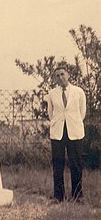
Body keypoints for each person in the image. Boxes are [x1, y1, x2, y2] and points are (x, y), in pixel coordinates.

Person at [47, 66, 86, 203]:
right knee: (58, 164)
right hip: (58, 132)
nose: (60, 77)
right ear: (55, 79)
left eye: (62, 74)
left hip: (74, 131)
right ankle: (58, 196)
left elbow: (82, 112)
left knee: (76, 164)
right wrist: (58, 123)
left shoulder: (78, 92)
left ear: (68, 75)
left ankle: (77, 196)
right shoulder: (52, 94)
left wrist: (73, 123)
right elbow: (50, 113)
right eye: (57, 75)